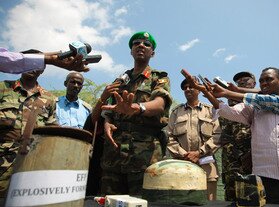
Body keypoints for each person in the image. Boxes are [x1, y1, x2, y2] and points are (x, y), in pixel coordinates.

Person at [189, 67, 279, 206]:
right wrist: (206, 92)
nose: (264, 83)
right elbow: (226, 111)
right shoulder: (252, 107)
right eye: (261, 81)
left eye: (268, 79)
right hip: (266, 176)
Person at [92, 31, 172, 196]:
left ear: (152, 53)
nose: (141, 45)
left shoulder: (159, 78)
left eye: (146, 44)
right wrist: (107, 124)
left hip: (144, 156)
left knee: (142, 202)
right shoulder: (120, 80)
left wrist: (137, 108)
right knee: (109, 201)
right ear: (131, 51)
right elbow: (110, 110)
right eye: (136, 43)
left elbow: (159, 104)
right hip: (113, 155)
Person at [0, 49, 58, 197]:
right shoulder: (2, 89)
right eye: (28, 61)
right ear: (20, 63)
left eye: (36, 62)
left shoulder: (49, 99)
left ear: (42, 69)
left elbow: (52, 133)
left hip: (31, 169)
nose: (31, 66)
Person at [166, 76, 221, 201]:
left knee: (209, 202)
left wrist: (199, 153)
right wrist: (185, 155)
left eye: (191, 86)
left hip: (206, 164)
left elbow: (217, 136)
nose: (187, 89)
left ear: (199, 90)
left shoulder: (211, 110)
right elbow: (169, 137)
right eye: (185, 88)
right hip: (182, 165)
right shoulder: (176, 112)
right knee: (183, 201)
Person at [219, 71, 255, 202]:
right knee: (232, 198)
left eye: (246, 79)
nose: (241, 82)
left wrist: (251, 154)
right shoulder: (229, 107)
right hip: (232, 163)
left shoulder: (260, 104)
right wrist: (239, 155)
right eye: (238, 81)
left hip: (256, 162)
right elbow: (224, 136)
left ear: (254, 83)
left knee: (254, 197)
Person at [0, 47, 89, 74]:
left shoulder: (48, 98)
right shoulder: (4, 88)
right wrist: (51, 59)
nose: (33, 69)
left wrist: (54, 58)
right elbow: (6, 58)